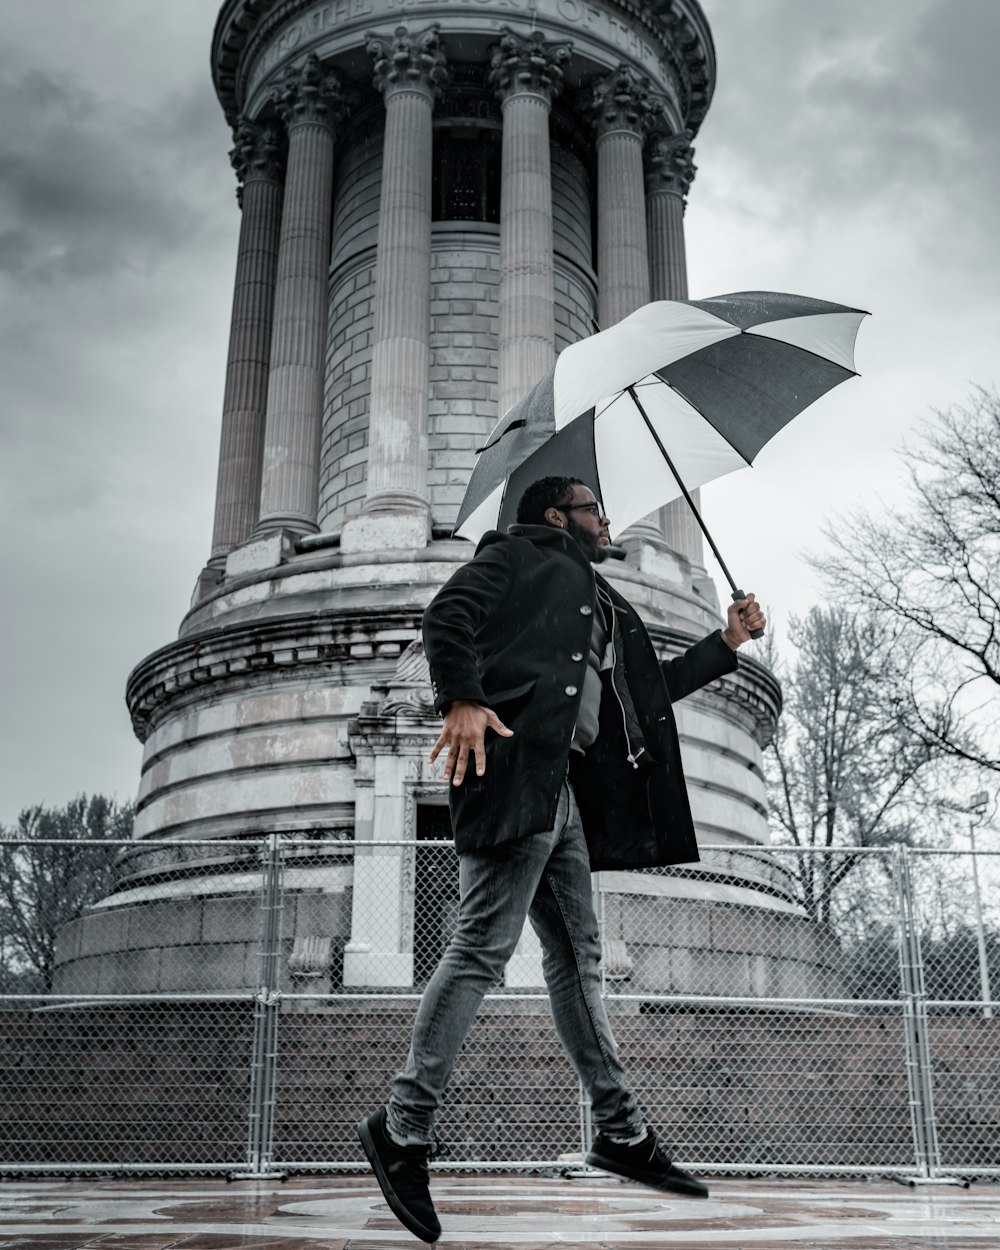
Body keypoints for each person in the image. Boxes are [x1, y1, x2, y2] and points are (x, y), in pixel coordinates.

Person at [359, 475, 765, 1243]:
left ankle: (620, 1132)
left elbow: (647, 694)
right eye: (593, 508)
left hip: (566, 792)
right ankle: (402, 1127)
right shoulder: (516, 558)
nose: (608, 520)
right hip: (515, 771)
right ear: (557, 517)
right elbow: (447, 616)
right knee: (481, 947)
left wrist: (728, 642)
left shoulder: (600, 601)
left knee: (578, 957)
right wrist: (463, 697)